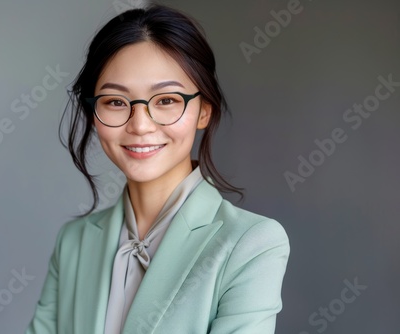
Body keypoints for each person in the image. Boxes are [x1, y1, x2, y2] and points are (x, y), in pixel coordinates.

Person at [26, 4, 290, 334]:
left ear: (203, 111)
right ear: (94, 114)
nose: (140, 125)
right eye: (116, 102)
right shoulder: (74, 243)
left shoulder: (250, 243)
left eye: (166, 100)